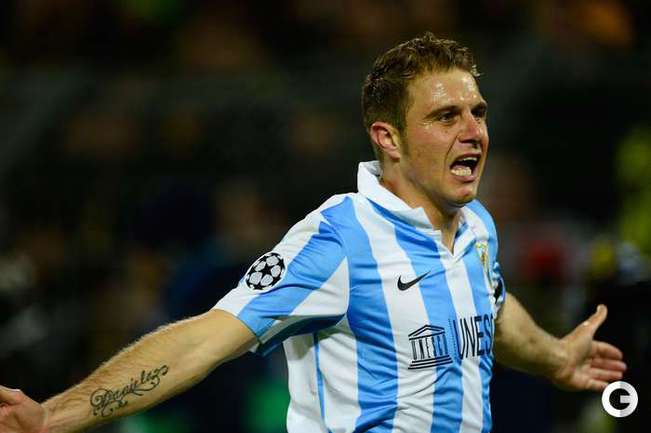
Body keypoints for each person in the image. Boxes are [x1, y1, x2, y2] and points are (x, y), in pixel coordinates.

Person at [0, 32, 626, 433]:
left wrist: (555, 357)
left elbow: (487, 306)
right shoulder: (338, 240)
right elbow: (202, 340)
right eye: (446, 116)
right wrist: (54, 416)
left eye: (477, 112)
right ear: (389, 139)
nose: (473, 131)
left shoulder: (476, 227)